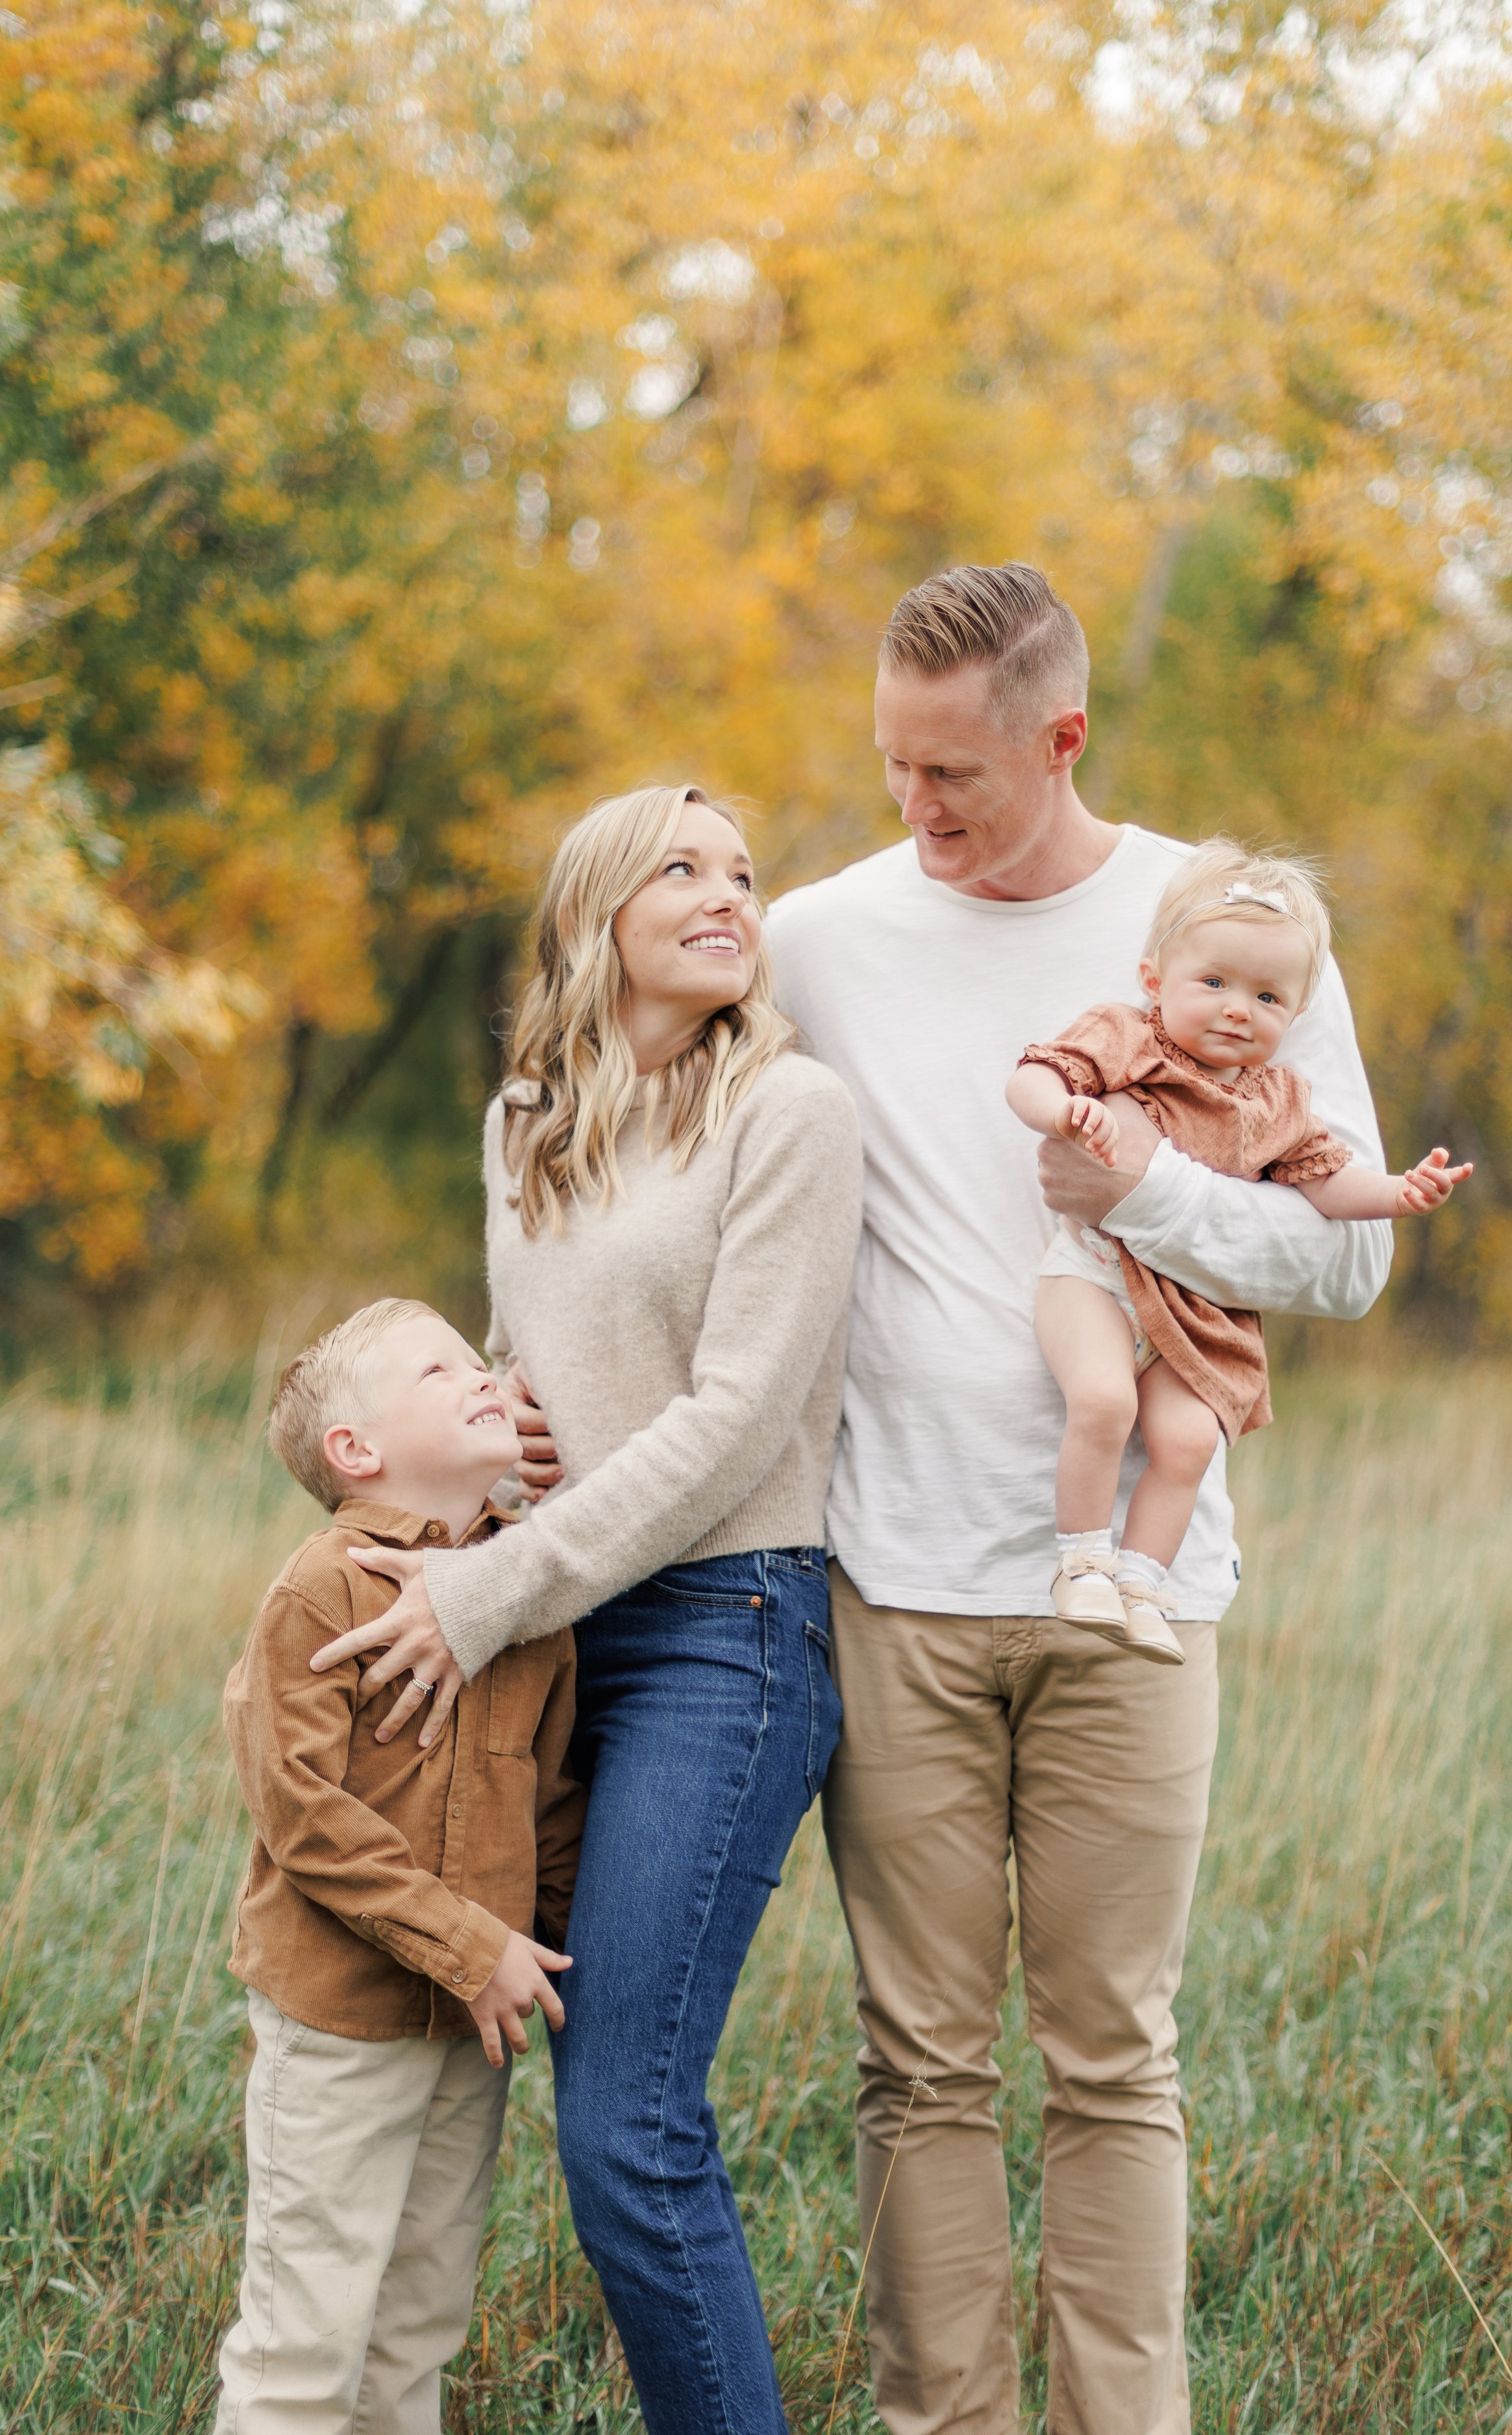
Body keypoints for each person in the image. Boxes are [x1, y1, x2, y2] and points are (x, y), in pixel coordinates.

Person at [763, 564, 1393, 2435]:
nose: (915, 805)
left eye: (952, 771)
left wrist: (1142, 1195)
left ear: (1063, 739)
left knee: (1114, 2056)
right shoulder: (816, 938)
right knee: (918, 2063)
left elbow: (1348, 1255)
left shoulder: (1228, 926)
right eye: (892, 763)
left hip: (1135, 1588)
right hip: (895, 1578)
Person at [306, 786, 864, 2435]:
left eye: (743, 872)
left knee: (627, 2121)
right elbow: (526, 1361)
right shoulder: (526, 1119)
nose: (728, 893)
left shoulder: (790, 1110)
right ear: (592, 916)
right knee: (471, 2063)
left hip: (719, 1628)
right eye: (680, 869)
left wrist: (487, 1586)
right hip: (551, 1631)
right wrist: (506, 1422)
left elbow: (739, 1417)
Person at [214, 1296, 584, 2435]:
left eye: (477, 1361)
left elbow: (553, 1803)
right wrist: (473, 1946)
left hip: (470, 2036)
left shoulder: (526, 1594)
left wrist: (546, 1946)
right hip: (342, 2027)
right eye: (437, 1370)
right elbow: (304, 1815)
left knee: (418, 2321)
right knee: (306, 2331)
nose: (479, 1376)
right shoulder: (324, 1586)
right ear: (355, 1449)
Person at [1007, 836, 1470, 1662]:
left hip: (1194, 1310)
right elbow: (1034, 1075)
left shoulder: (1278, 1101)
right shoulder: (1127, 1037)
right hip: (1095, 1278)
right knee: (1104, 1401)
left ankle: (1143, 1583)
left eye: (1266, 996)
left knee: (1189, 1442)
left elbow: (1327, 1184)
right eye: (1214, 983)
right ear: (1156, 979)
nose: (1236, 1009)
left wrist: (1399, 1192)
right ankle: (1082, 1565)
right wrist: (1062, 1112)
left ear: (1295, 1015)